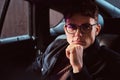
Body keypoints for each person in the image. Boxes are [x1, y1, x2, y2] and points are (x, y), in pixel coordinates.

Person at [30, 0, 120, 80]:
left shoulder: (112, 63)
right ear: (65, 29)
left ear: (96, 30)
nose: (78, 34)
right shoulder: (55, 46)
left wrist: (78, 68)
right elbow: (33, 70)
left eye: (86, 27)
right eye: (72, 27)